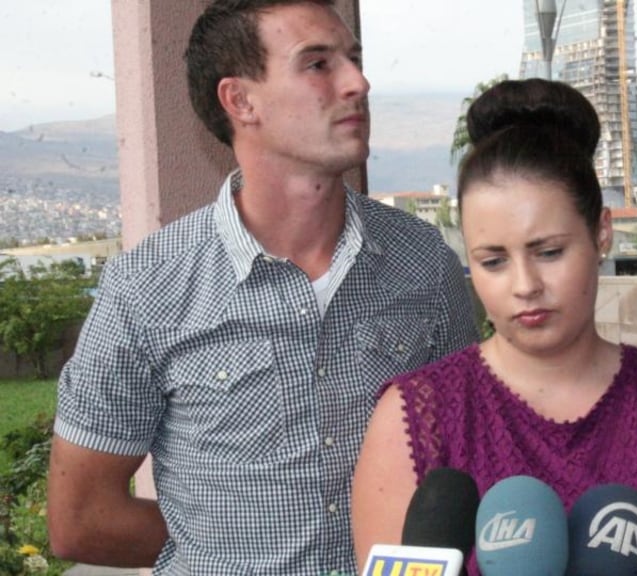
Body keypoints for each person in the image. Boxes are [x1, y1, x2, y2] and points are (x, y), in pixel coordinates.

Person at [46, 1, 478, 574]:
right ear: (240, 101)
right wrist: (214, 555)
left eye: (353, 59)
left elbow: (470, 452)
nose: (358, 82)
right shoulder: (147, 287)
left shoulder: (424, 262)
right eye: (318, 64)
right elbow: (80, 520)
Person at [352, 78, 637, 575]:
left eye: (549, 252)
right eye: (493, 261)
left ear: (601, 234)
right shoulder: (413, 419)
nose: (525, 285)